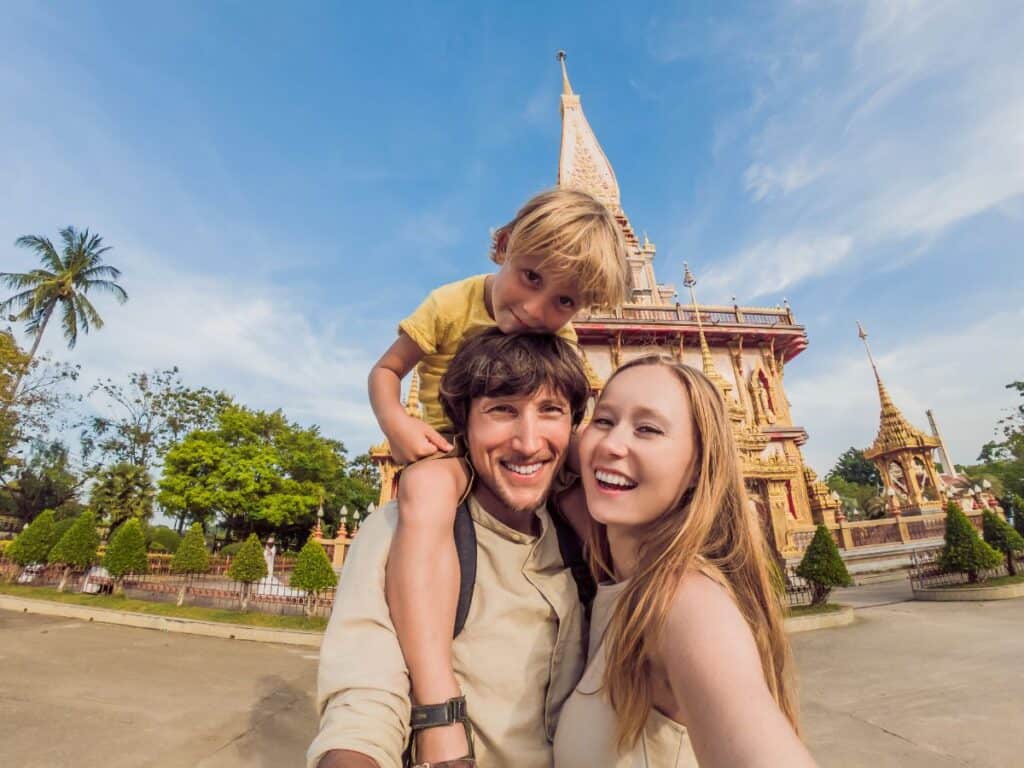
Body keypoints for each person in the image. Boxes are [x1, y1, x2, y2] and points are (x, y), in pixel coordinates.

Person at [367, 187, 628, 763]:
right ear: (505, 247)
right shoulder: (450, 302)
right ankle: (436, 698)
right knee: (428, 494)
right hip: (450, 446)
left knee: (595, 505)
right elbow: (386, 370)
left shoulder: (559, 339)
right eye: (531, 277)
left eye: (564, 301)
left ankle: (630, 624)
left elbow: (569, 408)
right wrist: (398, 427)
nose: (538, 310)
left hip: (524, 459)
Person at [310, 329, 593, 768]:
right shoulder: (400, 530)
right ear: (464, 421)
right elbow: (364, 698)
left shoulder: (589, 536)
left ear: (574, 425)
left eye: (551, 410)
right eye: (501, 410)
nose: (528, 442)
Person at [553, 354, 817, 767]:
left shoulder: (685, 603)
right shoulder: (616, 571)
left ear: (698, 466)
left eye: (648, 429)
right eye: (603, 420)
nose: (611, 444)